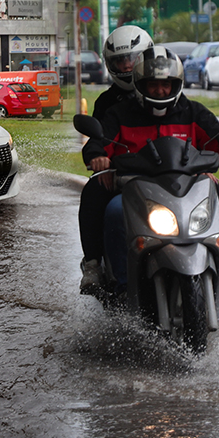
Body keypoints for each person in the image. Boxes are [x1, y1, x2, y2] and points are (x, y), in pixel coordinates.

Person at [85, 47, 219, 293]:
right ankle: (121, 284)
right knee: (115, 212)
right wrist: (98, 157)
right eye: (153, 85)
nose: (160, 91)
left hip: (184, 188)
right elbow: (98, 141)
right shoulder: (120, 114)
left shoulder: (192, 111)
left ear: (176, 84)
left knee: (214, 188)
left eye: (166, 85)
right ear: (140, 85)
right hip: (134, 188)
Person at [78, 25, 153, 291]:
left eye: (131, 58)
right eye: (119, 60)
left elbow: (192, 127)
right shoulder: (109, 103)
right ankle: (95, 266)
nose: (125, 65)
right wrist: (100, 160)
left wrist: (210, 158)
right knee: (98, 199)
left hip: (168, 174)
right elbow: (98, 138)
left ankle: (218, 253)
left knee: (209, 189)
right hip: (125, 178)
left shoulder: (167, 92)